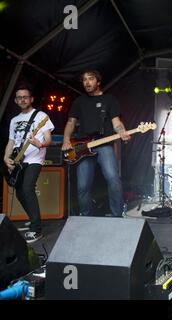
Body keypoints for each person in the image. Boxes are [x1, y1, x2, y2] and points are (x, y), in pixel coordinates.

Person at [61, 70, 130, 217]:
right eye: (84, 80)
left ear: (98, 82)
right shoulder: (79, 101)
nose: (87, 82)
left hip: (103, 144)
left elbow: (116, 122)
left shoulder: (109, 99)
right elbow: (71, 122)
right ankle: (85, 216)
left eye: (90, 79)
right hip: (83, 147)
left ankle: (117, 215)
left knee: (113, 179)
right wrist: (66, 139)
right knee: (82, 186)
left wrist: (122, 131)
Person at [4, 84, 54, 243]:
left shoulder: (40, 116)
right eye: (19, 97)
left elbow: (48, 140)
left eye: (25, 97)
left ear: (31, 99)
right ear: (15, 100)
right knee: (19, 192)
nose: (22, 99)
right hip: (17, 159)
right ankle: (34, 218)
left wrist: (38, 143)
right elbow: (11, 141)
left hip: (34, 159)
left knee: (27, 188)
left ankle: (36, 229)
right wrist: (6, 157)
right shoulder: (14, 120)